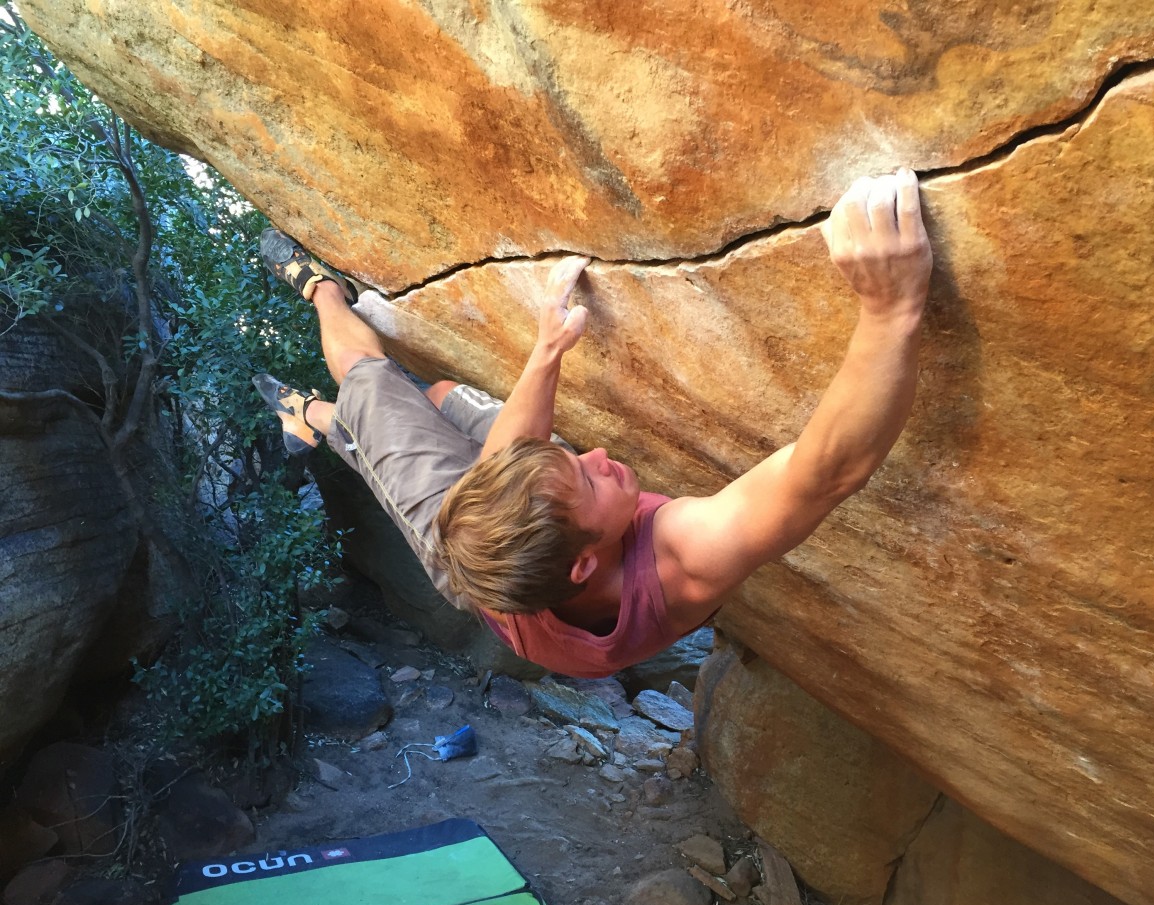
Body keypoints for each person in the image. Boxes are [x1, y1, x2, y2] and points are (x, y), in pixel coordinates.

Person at [254, 169, 932, 678]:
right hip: (486, 559)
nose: (600, 451)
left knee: (414, 397)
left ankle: (312, 408)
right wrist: (891, 308)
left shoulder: (504, 527)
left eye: (575, 459)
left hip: (460, 542)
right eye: (588, 476)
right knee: (367, 384)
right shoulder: (683, 560)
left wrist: (548, 349)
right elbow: (827, 471)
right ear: (583, 561)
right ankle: (319, 331)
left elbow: (511, 459)